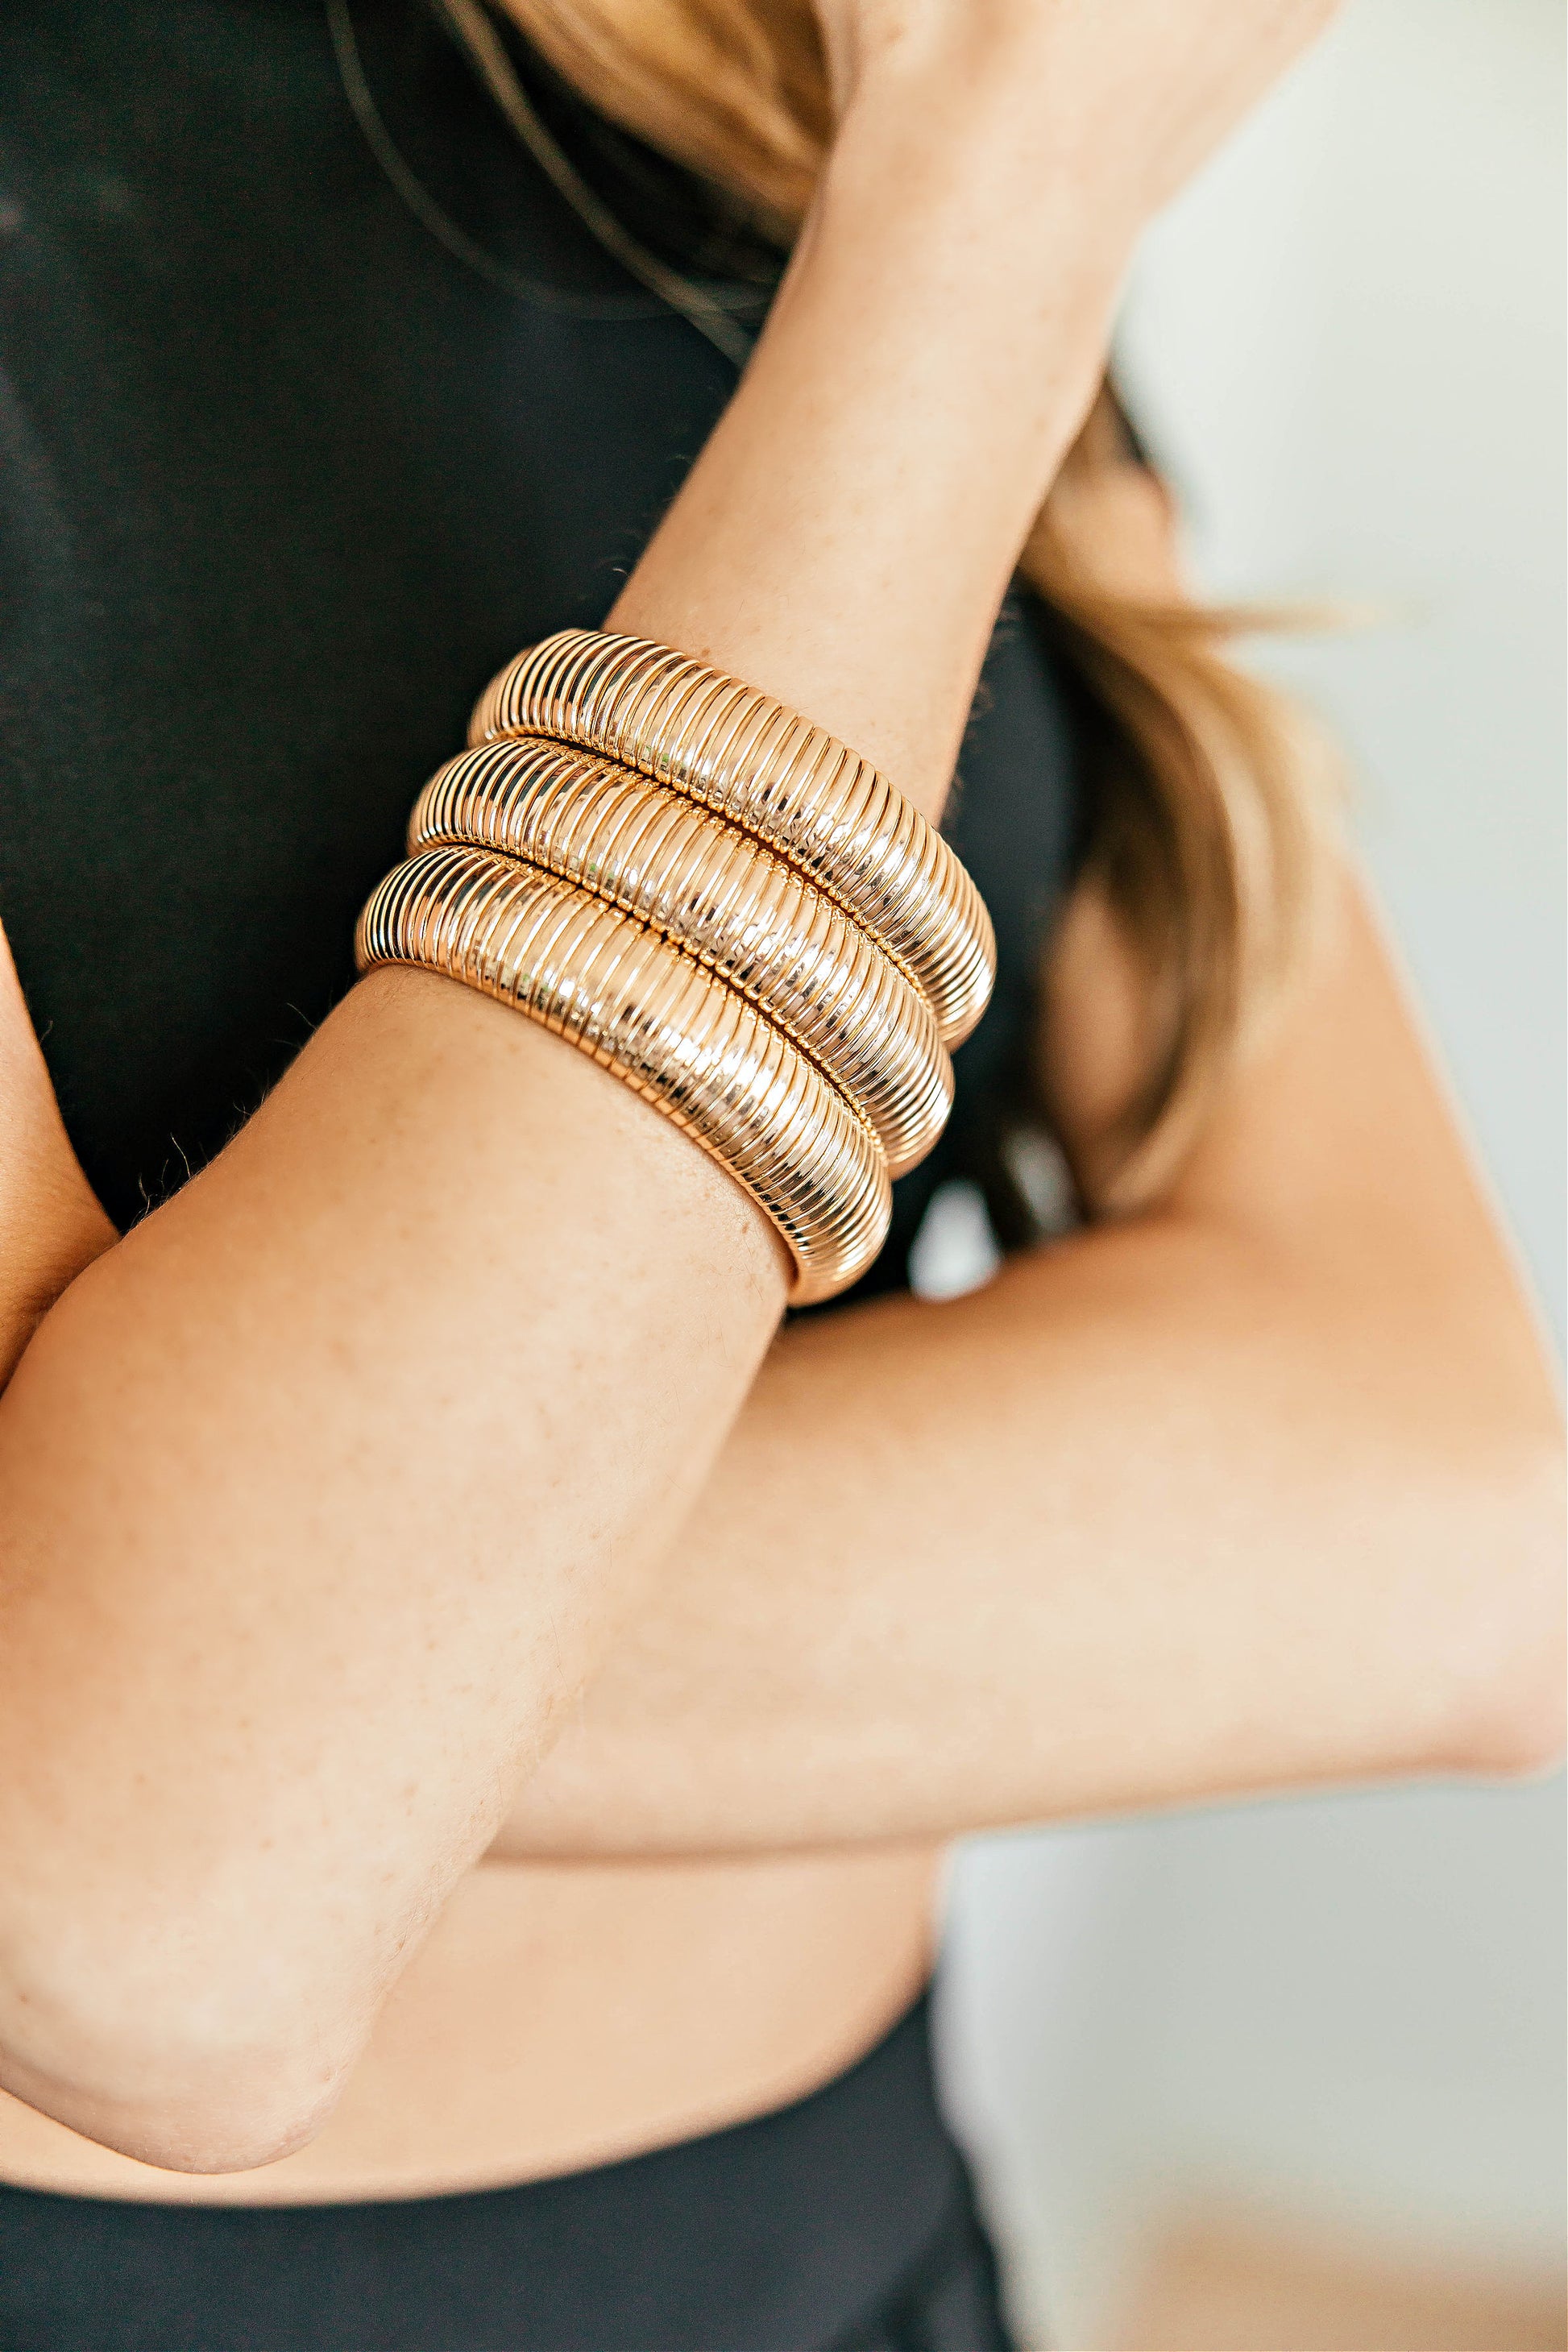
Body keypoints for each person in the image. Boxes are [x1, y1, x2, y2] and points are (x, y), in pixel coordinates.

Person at [0, 2, 1559, 2345]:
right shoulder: (967, 149)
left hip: (864, 2263)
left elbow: (1444, 1516)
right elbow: (160, 1909)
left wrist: (291, 1650)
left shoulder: (772, 49)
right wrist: (984, 211)